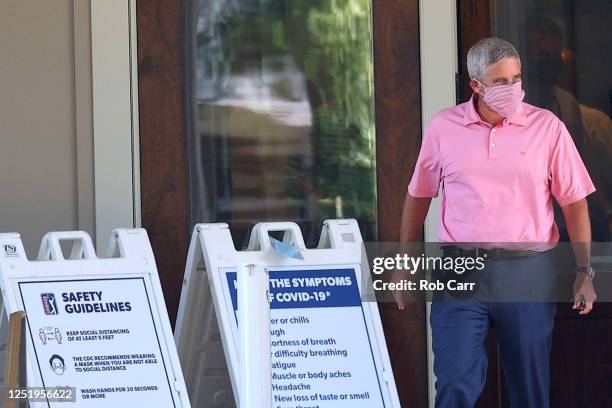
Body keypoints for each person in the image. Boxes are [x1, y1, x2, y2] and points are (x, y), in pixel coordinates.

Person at [397, 37, 597, 407]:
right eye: (501, 81)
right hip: (459, 270)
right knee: (455, 383)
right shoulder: (444, 127)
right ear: (476, 85)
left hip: (528, 272)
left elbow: (574, 203)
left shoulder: (547, 127)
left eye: (517, 78)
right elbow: (418, 195)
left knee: (529, 388)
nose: (513, 89)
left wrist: (585, 270)